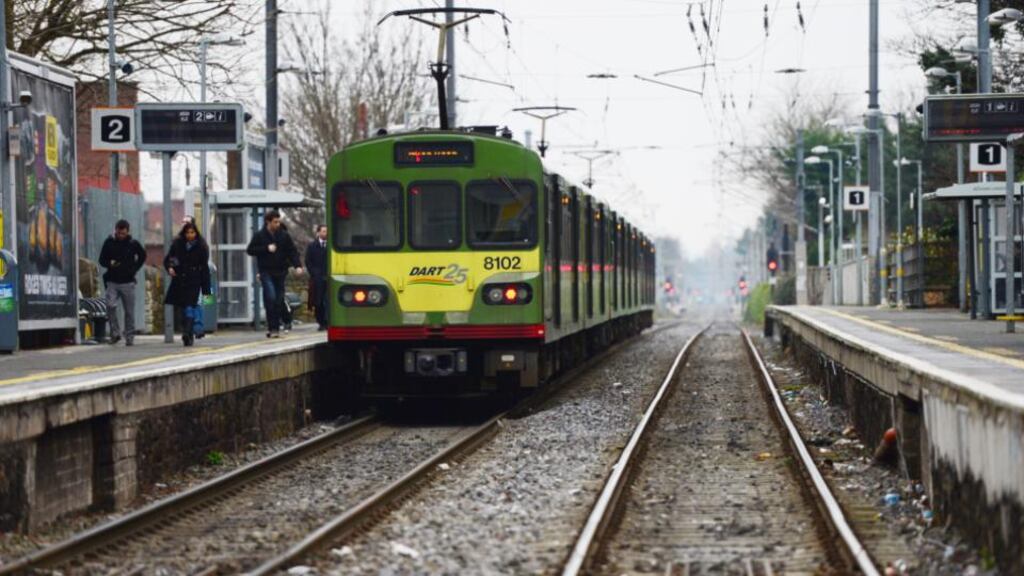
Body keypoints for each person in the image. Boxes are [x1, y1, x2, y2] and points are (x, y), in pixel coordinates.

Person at [246, 210, 302, 338]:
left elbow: (292, 251)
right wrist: (266, 248)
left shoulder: (284, 236)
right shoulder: (259, 236)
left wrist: (297, 265)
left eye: (278, 221)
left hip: (281, 271)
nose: (278, 224)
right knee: (270, 297)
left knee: (278, 299)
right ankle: (273, 328)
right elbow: (250, 250)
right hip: (266, 271)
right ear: (268, 222)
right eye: (275, 222)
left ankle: (278, 323)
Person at [98, 219, 147, 346]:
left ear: (127, 232)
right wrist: (110, 263)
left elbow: (142, 256)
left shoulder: (133, 243)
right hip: (112, 281)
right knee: (110, 305)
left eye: (123, 233)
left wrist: (134, 268)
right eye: (119, 233)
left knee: (129, 311)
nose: (121, 236)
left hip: (128, 281)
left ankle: (129, 336)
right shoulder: (109, 242)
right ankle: (115, 333)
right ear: (116, 230)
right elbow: (101, 260)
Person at [164, 221, 212, 346]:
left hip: (194, 280)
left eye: (192, 232)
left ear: (196, 233)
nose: (190, 235)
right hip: (180, 280)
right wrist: (170, 267)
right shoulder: (178, 244)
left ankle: (188, 332)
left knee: (190, 306)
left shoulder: (201, 246)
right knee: (183, 307)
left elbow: (204, 267)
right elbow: (171, 259)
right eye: (187, 233)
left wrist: (207, 289)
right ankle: (189, 333)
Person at [305, 224, 329, 330]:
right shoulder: (312, 246)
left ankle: (327, 321)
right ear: (318, 232)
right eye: (323, 231)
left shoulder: (332, 246)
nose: (325, 233)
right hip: (317, 278)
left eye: (327, 231)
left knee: (327, 300)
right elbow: (308, 261)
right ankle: (321, 322)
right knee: (317, 301)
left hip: (328, 277)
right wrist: (314, 273)